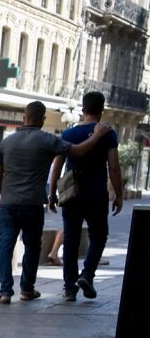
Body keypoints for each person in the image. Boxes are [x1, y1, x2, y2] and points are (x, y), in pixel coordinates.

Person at [0, 101, 110, 304]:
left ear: (23, 117)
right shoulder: (47, 140)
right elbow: (79, 151)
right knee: (31, 246)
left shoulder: (7, 142)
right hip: (33, 203)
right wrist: (98, 135)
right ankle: (27, 289)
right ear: (42, 119)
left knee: (5, 245)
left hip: (9, 203)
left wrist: (3, 193)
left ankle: (5, 292)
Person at [49, 91, 122, 301]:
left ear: (83, 109)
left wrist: (53, 193)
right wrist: (118, 194)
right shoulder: (108, 133)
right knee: (99, 236)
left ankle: (69, 288)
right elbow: (114, 167)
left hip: (71, 193)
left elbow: (57, 167)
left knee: (70, 239)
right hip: (96, 192)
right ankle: (88, 274)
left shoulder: (69, 134)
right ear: (101, 111)